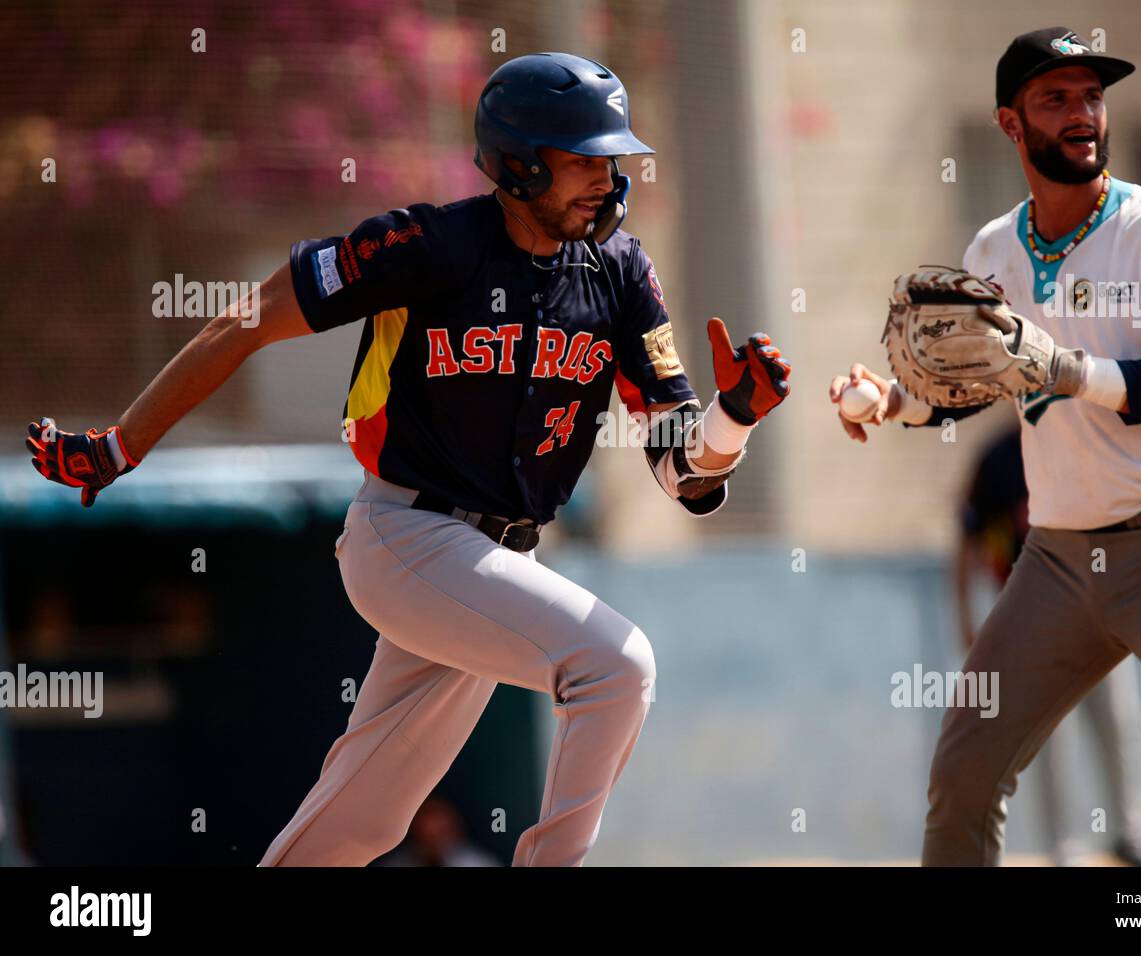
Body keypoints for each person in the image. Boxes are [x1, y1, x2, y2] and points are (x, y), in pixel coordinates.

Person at [26, 52, 791, 867]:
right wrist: (118, 446)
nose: (607, 179)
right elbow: (244, 321)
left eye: (614, 160)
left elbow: (683, 473)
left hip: (492, 564)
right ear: (518, 165)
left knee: (359, 824)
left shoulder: (621, 271)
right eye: (583, 161)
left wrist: (733, 417)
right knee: (616, 666)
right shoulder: (428, 244)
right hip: (407, 535)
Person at [830, 27, 1141, 866]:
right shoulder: (992, 251)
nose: (1082, 114)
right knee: (965, 770)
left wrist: (1071, 370)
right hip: (1060, 558)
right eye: (1056, 99)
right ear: (1011, 125)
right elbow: (970, 390)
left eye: (1092, 95)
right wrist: (892, 401)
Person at [955, 426, 1141, 866]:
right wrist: (969, 619)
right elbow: (968, 542)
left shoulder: (1086, 436)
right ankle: (1065, 845)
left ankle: (1135, 833)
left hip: (1097, 602)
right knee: (1049, 736)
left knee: (1118, 721)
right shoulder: (998, 457)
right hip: (1026, 611)